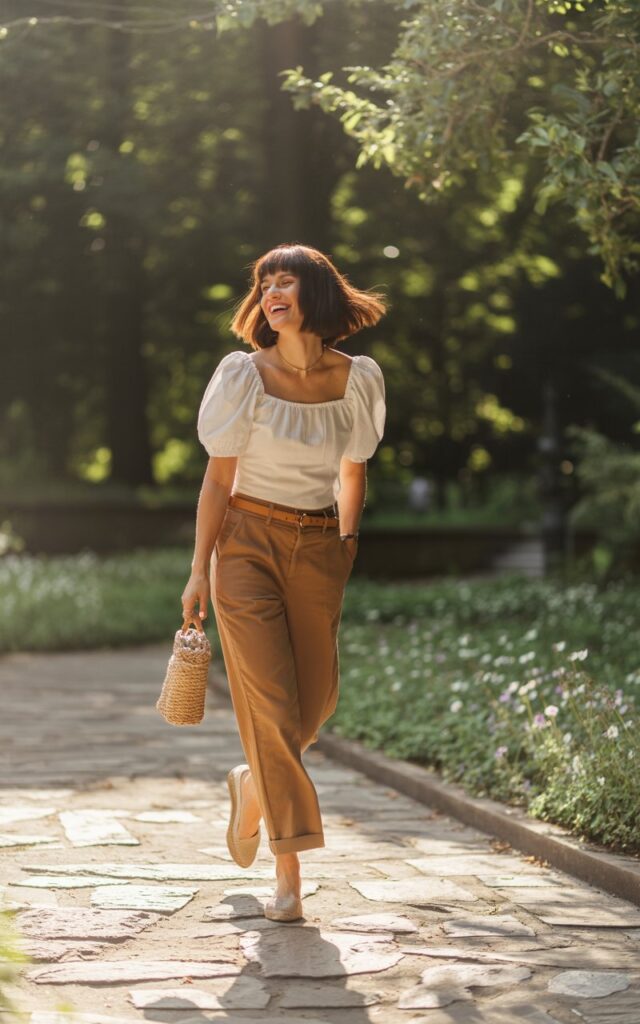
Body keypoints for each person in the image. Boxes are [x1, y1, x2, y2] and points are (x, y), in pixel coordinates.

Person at [181, 242, 387, 922]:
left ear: (316, 295)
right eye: (265, 281)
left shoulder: (357, 379)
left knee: (316, 703)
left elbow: (353, 469)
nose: (273, 290)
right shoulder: (243, 374)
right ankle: (289, 874)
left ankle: (253, 786)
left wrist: (346, 543)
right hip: (245, 546)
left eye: (287, 280)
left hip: (320, 542)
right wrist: (197, 571)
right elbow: (218, 476)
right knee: (271, 706)